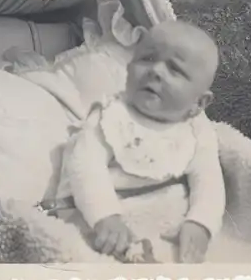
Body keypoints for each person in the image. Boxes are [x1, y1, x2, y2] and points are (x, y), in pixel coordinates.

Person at [55, 20, 226, 263]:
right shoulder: (110, 116)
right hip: (100, 213)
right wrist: (105, 216)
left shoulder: (197, 131)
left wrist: (201, 223)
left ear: (199, 103)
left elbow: (209, 180)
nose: (155, 71)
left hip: (164, 216)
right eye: (147, 58)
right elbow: (84, 167)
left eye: (175, 69)